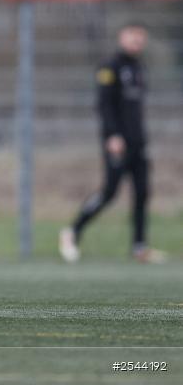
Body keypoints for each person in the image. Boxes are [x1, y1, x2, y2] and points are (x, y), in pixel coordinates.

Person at [60, 23, 166, 264]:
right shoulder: (110, 67)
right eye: (133, 37)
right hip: (118, 142)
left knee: (142, 192)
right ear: (122, 37)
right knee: (109, 192)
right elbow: (104, 104)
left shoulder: (139, 67)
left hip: (139, 142)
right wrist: (113, 135)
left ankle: (139, 247)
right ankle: (72, 232)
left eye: (141, 38)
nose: (137, 42)